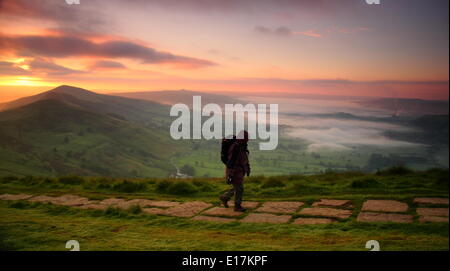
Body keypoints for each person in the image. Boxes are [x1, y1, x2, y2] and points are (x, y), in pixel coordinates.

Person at [220, 130, 251, 212]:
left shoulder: (242, 145)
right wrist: (230, 174)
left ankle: (224, 197)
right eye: (246, 137)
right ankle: (237, 206)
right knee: (240, 188)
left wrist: (247, 168)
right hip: (235, 171)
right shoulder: (235, 147)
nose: (248, 139)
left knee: (237, 188)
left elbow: (245, 158)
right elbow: (231, 162)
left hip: (240, 171)